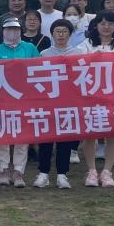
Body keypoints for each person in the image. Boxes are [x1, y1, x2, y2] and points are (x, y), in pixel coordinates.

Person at [76, 11, 114, 187]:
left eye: (110, 24)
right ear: (96, 25)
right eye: (102, 23)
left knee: (113, 133)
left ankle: (107, 171)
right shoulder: (85, 45)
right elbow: (77, 67)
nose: (106, 27)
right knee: (90, 134)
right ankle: (91, 170)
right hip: (90, 95)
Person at [33, 18, 81, 189]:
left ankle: (62, 174)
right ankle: (43, 173)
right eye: (57, 31)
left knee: (65, 139)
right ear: (52, 34)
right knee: (46, 139)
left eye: (64, 31)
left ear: (70, 34)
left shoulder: (78, 53)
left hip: (69, 103)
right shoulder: (44, 54)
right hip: (48, 102)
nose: (61, 35)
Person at [0, 17, 40, 187]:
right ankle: (3, 169)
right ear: (2, 31)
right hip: (2, 98)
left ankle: (19, 171)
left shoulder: (30, 48)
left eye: (16, 29)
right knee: (2, 134)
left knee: (22, 135)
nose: (12, 32)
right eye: (8, 29)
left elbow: (38, 69)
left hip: (24, 97)